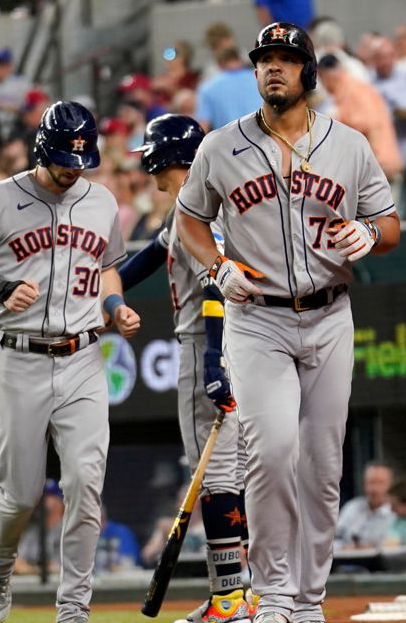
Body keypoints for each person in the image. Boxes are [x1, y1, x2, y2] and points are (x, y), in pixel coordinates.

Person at [175, 22, 400, 623]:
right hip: (258, 320)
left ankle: (308, 600)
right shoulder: (220, 146)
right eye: (264, 59)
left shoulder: (348, 145)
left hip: (329, 314)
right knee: (271, 454)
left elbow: (391, 225)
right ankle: (273, 596)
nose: (272, 67)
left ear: (308, 73)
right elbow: (187, 222)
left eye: (285, 58)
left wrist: (371, 232)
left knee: (322, 467)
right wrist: (218, 266)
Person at [0, 100, 141, 623]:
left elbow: (106, 270)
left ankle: (74, 608)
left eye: (80, 160)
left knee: (85, 482)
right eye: (63, 158)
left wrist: (116, 306)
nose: (72, 168)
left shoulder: (101, 201)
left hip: (83, 355)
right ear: (42, 149)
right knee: (20, 495)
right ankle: (0, 566)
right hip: (19, 360)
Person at [118, 114, 253, 623]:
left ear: (169, 160)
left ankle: (228, 600)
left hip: (206, 345)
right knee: (235, 474)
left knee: (217, 476)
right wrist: (101, 290)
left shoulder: (196, 211)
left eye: (153, 161)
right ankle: (240, 594)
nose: (150, 172)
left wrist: (215, 360)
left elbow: (217, 286)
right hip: (239, 346)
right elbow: (148, 257)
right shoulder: (198, 208)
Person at [316, 55, 401, 181]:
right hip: (372, 167)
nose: (323, 85)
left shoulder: (356, 90)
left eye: (322, 79)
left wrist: (376, 164)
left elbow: (371, 127)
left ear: (327, 76)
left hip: (380, 167)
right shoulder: (345, 92)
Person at [196, 46, 261, 132]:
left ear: (219, 64)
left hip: (227, 142)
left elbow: (204, 125)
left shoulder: (207, 88)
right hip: (262, 139)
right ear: (240, 60)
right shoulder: (261, 80)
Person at [335, 462, 395, 550]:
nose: (375, 489)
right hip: (346, 560)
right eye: (371, 482)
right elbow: (332, 539)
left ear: (391, 485)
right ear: (364, 484)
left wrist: (371, 548)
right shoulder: (352, 507)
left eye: (381, 483)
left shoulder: (396, 513)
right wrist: (343, 547)